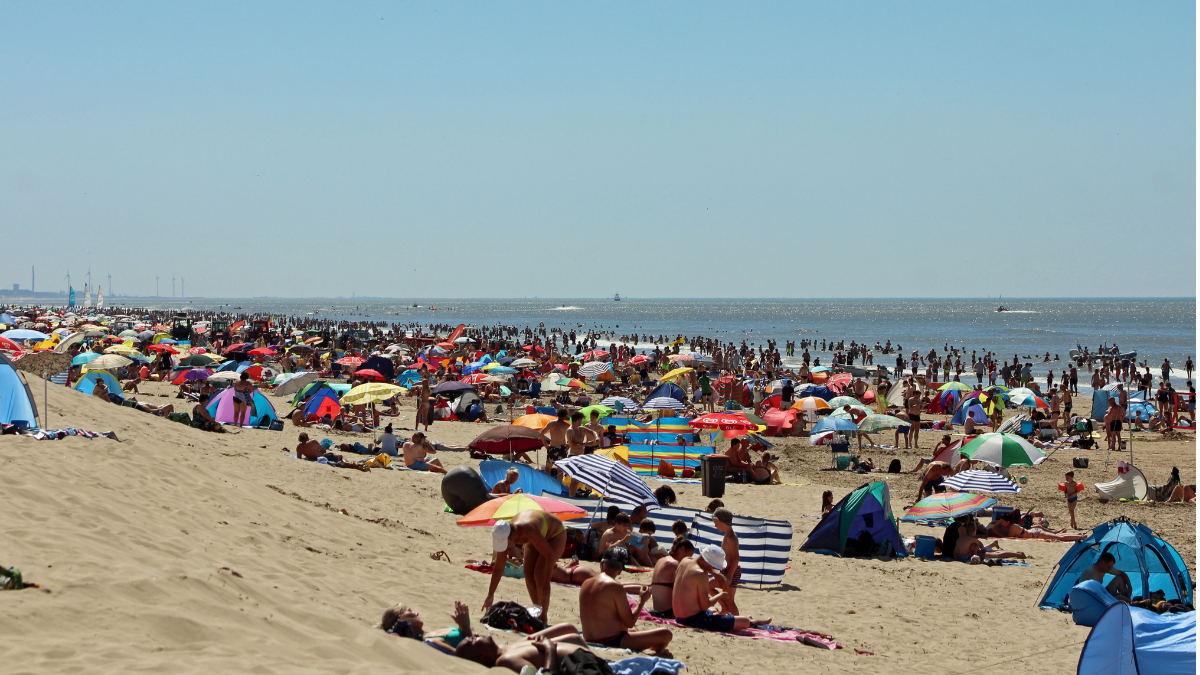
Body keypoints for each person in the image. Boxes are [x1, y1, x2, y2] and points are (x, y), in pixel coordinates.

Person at [578, 547, 674, 654]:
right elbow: (630, 622)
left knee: (635, 631)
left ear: (601, 564)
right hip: (611, 640)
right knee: (666, 634)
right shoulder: (616, 587)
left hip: (589, 637)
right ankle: (651, 651)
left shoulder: (586, 583)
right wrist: (642, 600)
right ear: (620, 571)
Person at [484, 511, 568, 620]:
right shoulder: (504, 533)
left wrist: (546, 582)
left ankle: (543, 618)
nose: (504, 547)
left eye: (505, 543)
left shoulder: (528, 530)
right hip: (538, 534)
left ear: (513, 536)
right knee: (528, 573)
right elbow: (499, 567)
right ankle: (538, 611)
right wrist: (490, 594)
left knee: (539, 574)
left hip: (555, 534)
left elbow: (549, 555)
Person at [672, 545, 763, 633]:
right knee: (744, 621)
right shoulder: (701, 575)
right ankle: (752, 622)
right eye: (713, 566)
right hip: (694, 620)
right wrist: (720, 595)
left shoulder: (685, 561)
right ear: (708, 562)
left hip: (679, 616)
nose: (713, 568)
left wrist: (715, 573)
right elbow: (704, 606)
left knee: (714, 609)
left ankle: (733, 621)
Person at [454, 623, 591, 673]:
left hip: (589, 660)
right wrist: (549, 649)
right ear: (482, 656)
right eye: (473, 638)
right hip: (583, 666)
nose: (476, 634)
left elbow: (570, 629)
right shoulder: (505, 661)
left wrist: (466, 626)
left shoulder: (508, 648)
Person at [381, 600, 472, 655]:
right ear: (402, 618)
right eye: (410, 611)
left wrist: (463, 624)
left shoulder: (430, 634)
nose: (417, 613)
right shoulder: (428, 642)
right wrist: (466, 626)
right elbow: (469, 656)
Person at [650, 537, 692, 617]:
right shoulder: (674, 564)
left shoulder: (661, 560)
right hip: (668, 612)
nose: (688, 560)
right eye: (688, 556)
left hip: (657, 609)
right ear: (682, 550)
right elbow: (682, 591)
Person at [711, 508, 741, 615]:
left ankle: (731, 613)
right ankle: (726, 608)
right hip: (727, 571)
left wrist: (729, 577)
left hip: (730, 572)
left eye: (717, 523)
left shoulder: (731, 537)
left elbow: (736, 558)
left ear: (723, 522)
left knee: (708, 586)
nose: (715, 526)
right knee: (729, 598)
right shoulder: (727, 535)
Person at [540, 409, 571, 473]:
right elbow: (571, 436)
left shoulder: (551, 423)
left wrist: (546, 445)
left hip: (552, 447)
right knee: (560, 470)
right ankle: (559, 482)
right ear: (565, 416)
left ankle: (547, 482)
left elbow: (541, 434)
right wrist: (568, 444)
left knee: (548, 468)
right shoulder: (566, 425)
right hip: (562, 448)